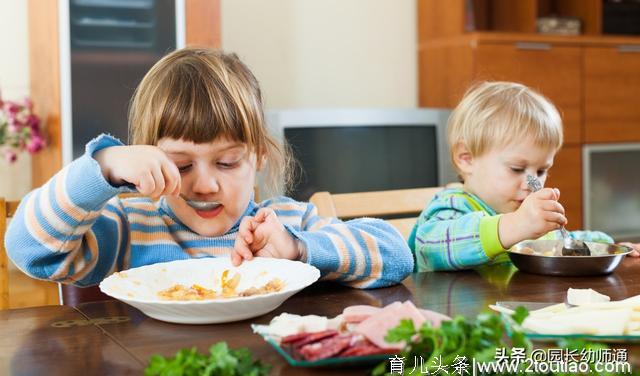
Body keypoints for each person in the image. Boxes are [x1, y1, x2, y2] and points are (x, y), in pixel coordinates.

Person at [5, 47, 413, 289]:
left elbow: (397, 255)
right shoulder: (129, 227)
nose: (204, 185)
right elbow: (28, 250)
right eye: (180, 166)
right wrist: (102, 167)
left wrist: (298, 249)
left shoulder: (286, 222)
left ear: (258, 157)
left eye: (227, 162)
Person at [409, 81, 638, 272]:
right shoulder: (453, 205)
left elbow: (555, 243)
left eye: (541, 170)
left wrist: (610, 246)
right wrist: (514, 226)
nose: (533, 183)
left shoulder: (520, 213)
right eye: (517, 169)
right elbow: (430, 247)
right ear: (466, 158)